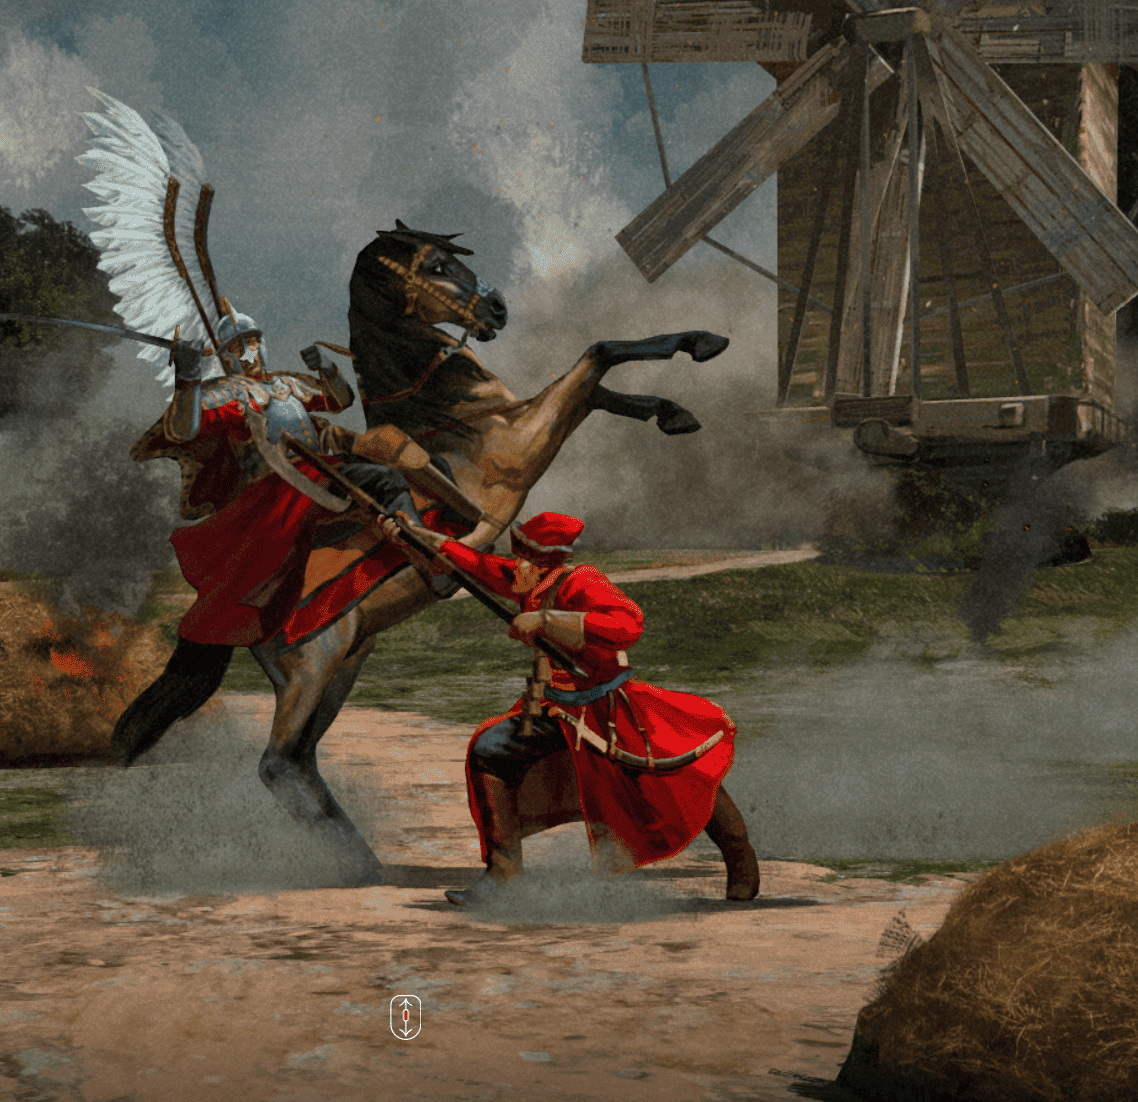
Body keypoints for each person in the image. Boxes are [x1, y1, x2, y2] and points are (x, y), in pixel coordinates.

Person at [394, 511, 758, 905]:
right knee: (489, 750)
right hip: (556, 710)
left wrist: (548, 621)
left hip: (607, 710)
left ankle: (740, 856)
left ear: (540, 561)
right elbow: (478, 565)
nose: (514, 566)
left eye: (522, 559)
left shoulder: (582, 581)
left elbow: (628, 623)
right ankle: (504, 875)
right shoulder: (527, 578)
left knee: (675, 776)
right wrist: (416, 536)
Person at [111, 312, 425, 764]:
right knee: (385, 480)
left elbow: (337, 400)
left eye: (252, 342)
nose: (247, 353)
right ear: (224, 356)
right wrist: (188, 376)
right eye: (236, 348)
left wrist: (325, 368)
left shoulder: (287, 384)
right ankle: (420, 547)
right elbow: (183, 427)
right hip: (277, 492)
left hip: (317, 476)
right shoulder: (225, 393)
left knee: (387, 475)